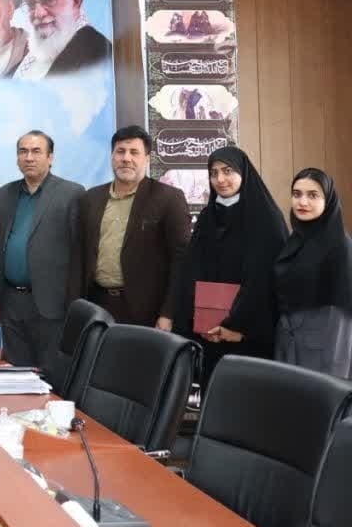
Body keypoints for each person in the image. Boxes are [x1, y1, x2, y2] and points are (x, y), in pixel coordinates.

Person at [175, 147, 287, 379]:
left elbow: (262, 281)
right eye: (214, 173)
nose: (220, 179)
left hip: (247, 336)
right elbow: (192, 271)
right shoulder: (207, 217)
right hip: (208, 333)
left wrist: (235, 326)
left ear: (243, 173)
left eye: (227, 171)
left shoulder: (266, 219)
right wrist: (200, 321)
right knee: (212, 393)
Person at [0, 131, 85, 370]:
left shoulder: (71, 194)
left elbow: (80, 253)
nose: (29, 157)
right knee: (17, 374)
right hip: (12, 302)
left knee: (52, 374)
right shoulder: (4, 194)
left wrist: (74, 304)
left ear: (50, 158)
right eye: (23, 152)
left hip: (53, 304)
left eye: (36, 151)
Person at [80, 126, 191, 328]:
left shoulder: (168, 198)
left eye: (134, 152)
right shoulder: (91, 198)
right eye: (120, 151)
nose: (126, 158)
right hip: (97, 305)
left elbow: (181, 261)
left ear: (147, 159)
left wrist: (168, 313)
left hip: (147, 311)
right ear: (112, 156)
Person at [271, 168, 352, 379]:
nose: (303, 202)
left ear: (328, 201)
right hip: (288, 347)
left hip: (323, 354)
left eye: (313, 195)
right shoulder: (295, 242)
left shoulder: (340, 247)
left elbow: (342, 323)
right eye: (297, 194)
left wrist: (333, 380)